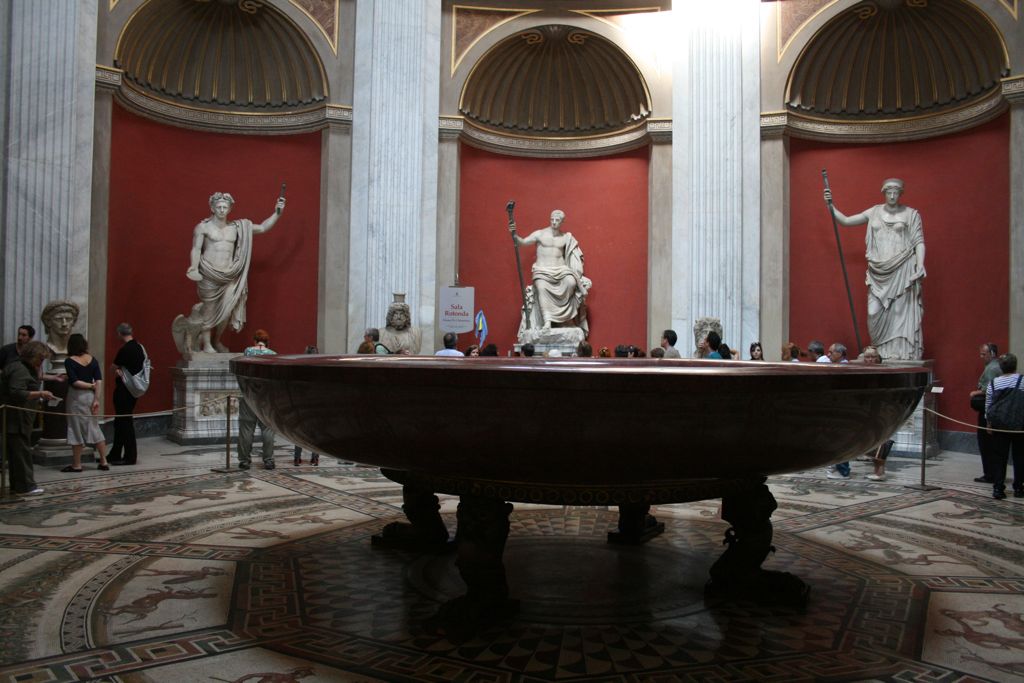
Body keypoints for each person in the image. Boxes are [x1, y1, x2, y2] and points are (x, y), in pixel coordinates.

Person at [824, 178, 925, 360]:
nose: (892, 196)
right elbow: (846, 221)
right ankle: (878, 350)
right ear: (883, 193)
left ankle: (899, 353)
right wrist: (831, 207)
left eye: (896, 193)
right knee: (873, 312)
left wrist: (920, 264)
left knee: (899, 312)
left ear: (901, 194)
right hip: (878, 272)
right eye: (889, 192)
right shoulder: (874, 212)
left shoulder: (911, 214)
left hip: (902, 267)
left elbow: (919, 242)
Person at [174, 191, 285, 354]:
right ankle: (206, 344)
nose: (221, 210)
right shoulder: (203, 227)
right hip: (209, 273)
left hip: (229, 275)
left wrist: (277, 213)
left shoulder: (237, 228)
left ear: (230, 209)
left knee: (226, 311)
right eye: (218, 206)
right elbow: (196, 249)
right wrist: (193, 267)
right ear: (212, 208)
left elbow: (261, 228)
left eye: (225, 207)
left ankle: (216, 340)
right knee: (210, 309)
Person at [509, 209, 592, 333]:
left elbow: (572, 254)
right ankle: (547, 321)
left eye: (557, 220)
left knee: (570, 283)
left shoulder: (566, 238)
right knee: (541, 288)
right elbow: (522, 242)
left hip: (561, 270)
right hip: (542, 271)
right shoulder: (540, 234)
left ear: (562, 222)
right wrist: (514, 235)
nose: (554, 222)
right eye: (552, 219)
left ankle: (563, 319)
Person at [1, 341, 57, 494]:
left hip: (19, 417)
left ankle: (18, 485)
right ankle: (26, 485)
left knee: (17, 453)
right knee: (21, 452)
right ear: (33, 356)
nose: (41, 363)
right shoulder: (20, 369)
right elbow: (17, 392)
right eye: (40, 359)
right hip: (16, 417)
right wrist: (41, 394)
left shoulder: (22, 367)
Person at [62, 333, 110, 472]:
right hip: (90, 397)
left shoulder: (69, 361)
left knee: (75, 428)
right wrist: (96, 399)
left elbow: (75, 381)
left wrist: (90, 386)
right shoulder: (92, 359)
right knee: (94, 427)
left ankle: (77, 464)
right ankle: (103, 460)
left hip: (77, 398)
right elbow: (99, 380)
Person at [985, 353, 1023, 499]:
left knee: (999, 457)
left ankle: (998, 488)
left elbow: (989, 405)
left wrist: (988, 423)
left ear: (1001, 367)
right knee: (1020, 457)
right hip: (1019, 424)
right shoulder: (1022, 380)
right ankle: (1019, 487)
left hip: (999, 424)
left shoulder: (994, 383)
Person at [237, 329, 277, 470]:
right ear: (267, 342)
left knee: (247, 428)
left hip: (249, 395)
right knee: (268, 429)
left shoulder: (248, 351)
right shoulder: (273, 355)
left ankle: (245, 460)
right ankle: (268, 460)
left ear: (255, 340)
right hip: (265, 397)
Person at [108, 323, 146, 466]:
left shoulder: (125, 349)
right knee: (120, 422)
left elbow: (112, 368)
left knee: (124, 422)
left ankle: (130, 456)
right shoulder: (139, 347)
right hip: (133, 390)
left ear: (119, 333)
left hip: (124, 390)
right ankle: (115, 453)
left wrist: (117, 371)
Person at [971, 342, 1001, 484]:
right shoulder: (996, 366)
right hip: (994, 410)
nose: (981, 357)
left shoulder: (992, 369)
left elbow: (988, 390)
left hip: (988, 410)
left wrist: (974, 393)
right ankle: (994, 472)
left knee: (986, 443)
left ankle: (990, 474)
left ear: (992, 354)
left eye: (984, 354)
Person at [293, 345, 320, 466]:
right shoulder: (321, 369)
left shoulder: (299, 368)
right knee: (315, 432)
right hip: (315, 402)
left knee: (299, 431)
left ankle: (297, 458)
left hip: (301, 402)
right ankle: (315, 458)